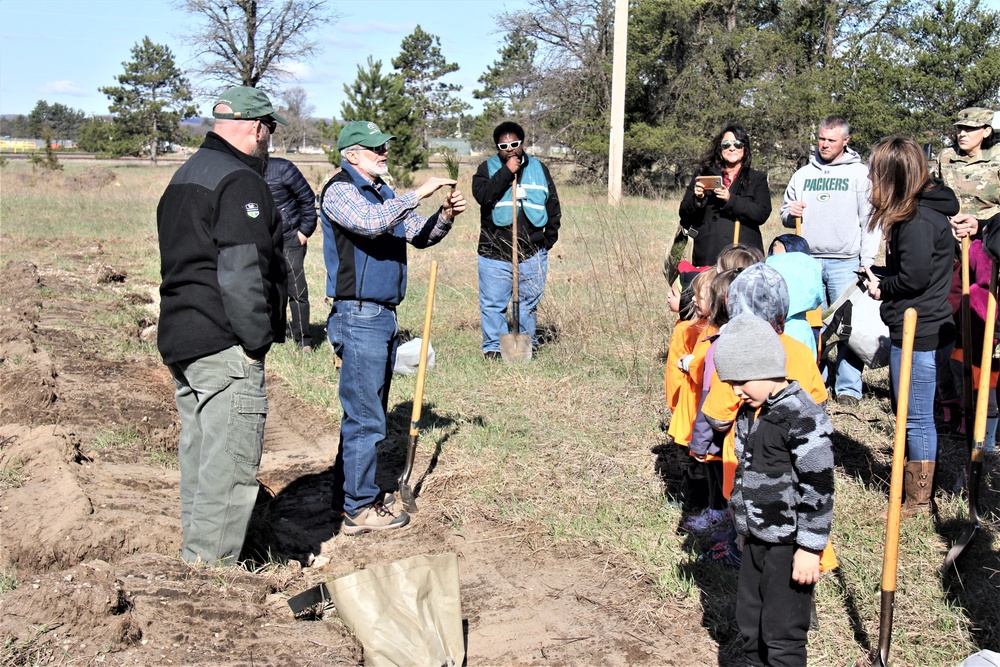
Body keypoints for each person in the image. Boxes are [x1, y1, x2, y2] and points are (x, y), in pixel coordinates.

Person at [157, 86, 288, 565]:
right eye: (270, 130)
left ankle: (197, 556)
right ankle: (211, 574)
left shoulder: (184, 175)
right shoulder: (239, 181)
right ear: (257, 128)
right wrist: (255, 341)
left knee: (201, 457)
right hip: (223, 341)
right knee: (229, 464)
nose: (270, 140)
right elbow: (243, 271)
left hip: (182, 337)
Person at [319, 120, 466, 535]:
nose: (384, 151)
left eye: (385, 145)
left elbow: (417, 233)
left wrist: (444, 215)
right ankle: (358, 508)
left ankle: (350, 492)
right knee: (365, 416)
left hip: (381, 315)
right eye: (374, 147)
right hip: (358, 315)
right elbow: (368, 222)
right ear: (351, 155)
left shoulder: (382, 191)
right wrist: (417, 192)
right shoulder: (340, 190)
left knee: (369, 411)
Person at [713, 314, 835, 666]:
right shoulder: (751, 412)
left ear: (766, 366)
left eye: (741, 381)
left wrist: (811, 548)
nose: (735, 390)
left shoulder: (803, 417)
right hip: (755, 540)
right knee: (751, 624)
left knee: (782, 633)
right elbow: (745, 474)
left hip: (789, 546)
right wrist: (741, 526)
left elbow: (819, 488)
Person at [864, 137, 960, 516]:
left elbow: (916, 277)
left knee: (916, 414)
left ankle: (920, 499)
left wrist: (881, 287)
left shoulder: (917, 220)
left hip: (920, 329)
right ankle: (913, 483)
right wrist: (884, 274)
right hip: (917, 323)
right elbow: (914, 269)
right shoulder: (915, 214)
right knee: (911, 410)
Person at [781, 115, 880, 406]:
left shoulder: (860, 175)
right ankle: (817, 380)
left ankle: (848, 387)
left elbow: (871, 221)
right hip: (808, 260)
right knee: (813, 324)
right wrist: (791, 212)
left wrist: (868, 261)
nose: (824, 145)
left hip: (846, 262)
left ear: (845, 141)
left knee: (848, 327)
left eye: (831, 140)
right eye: (821, 139)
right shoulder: (803, 175)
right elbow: (785, 214)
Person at [472, 121, 561, 359]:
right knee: (493, 304)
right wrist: (506, 172)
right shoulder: (487, 168)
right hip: (494, 251)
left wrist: (548, 240)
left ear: (523, 143)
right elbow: (483, 196)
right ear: (498, 147)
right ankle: (493, 349)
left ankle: (523, 349)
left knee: (527, 304)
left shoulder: (539, 168)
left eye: (515, 144)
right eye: (504, 145)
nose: (510, 149)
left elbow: (552, 204)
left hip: (532, 251)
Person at [935, 107, 999, 431]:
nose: (962, 133)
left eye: (970, 128)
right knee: (947, 323)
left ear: (987, 131)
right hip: (949, 251)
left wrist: (982, 222)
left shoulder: (999, 158)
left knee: (979, 325)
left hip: (989, 251)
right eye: (959, 128)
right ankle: (951, 402)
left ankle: (981, 409)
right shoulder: (945, 159)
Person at [679, 124, 772, 266]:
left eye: (738, 144)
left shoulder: (757, 178)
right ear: (719, 148)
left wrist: (730, 200)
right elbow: (684, 213)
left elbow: (762, 213)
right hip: (708, 256)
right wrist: (697, 199)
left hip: (744, 258)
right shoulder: (703, 175)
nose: (732, 148)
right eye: (726, 144)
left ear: (745, 149)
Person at [265, 156, 317, 351]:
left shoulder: (283, 168)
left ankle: (304, 340)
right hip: (261, 240)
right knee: (267, 290)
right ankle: (273, 335)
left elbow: (307, 199)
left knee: (297, 291)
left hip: (289, 238)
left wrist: (303, 232)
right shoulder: (242, 168)